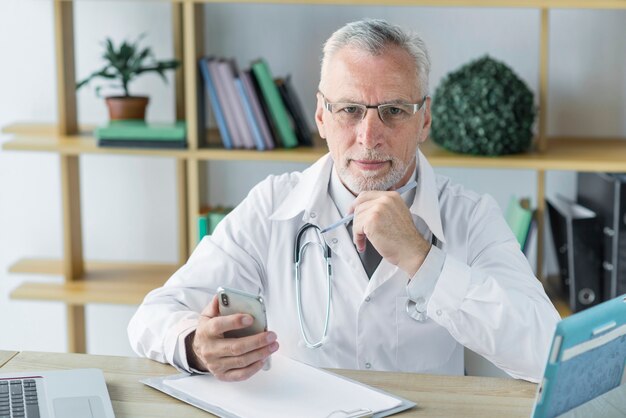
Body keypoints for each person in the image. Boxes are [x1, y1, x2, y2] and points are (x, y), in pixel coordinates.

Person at [128, 18, 560, 383]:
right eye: (349, 109)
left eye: (393, 110)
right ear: (320, 116)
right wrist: (196, 345)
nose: (368, 137)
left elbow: (547, 353)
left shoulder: (470, 216)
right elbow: (152, 316)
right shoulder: (272, 206)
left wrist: (421, 259)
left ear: (424, 119)